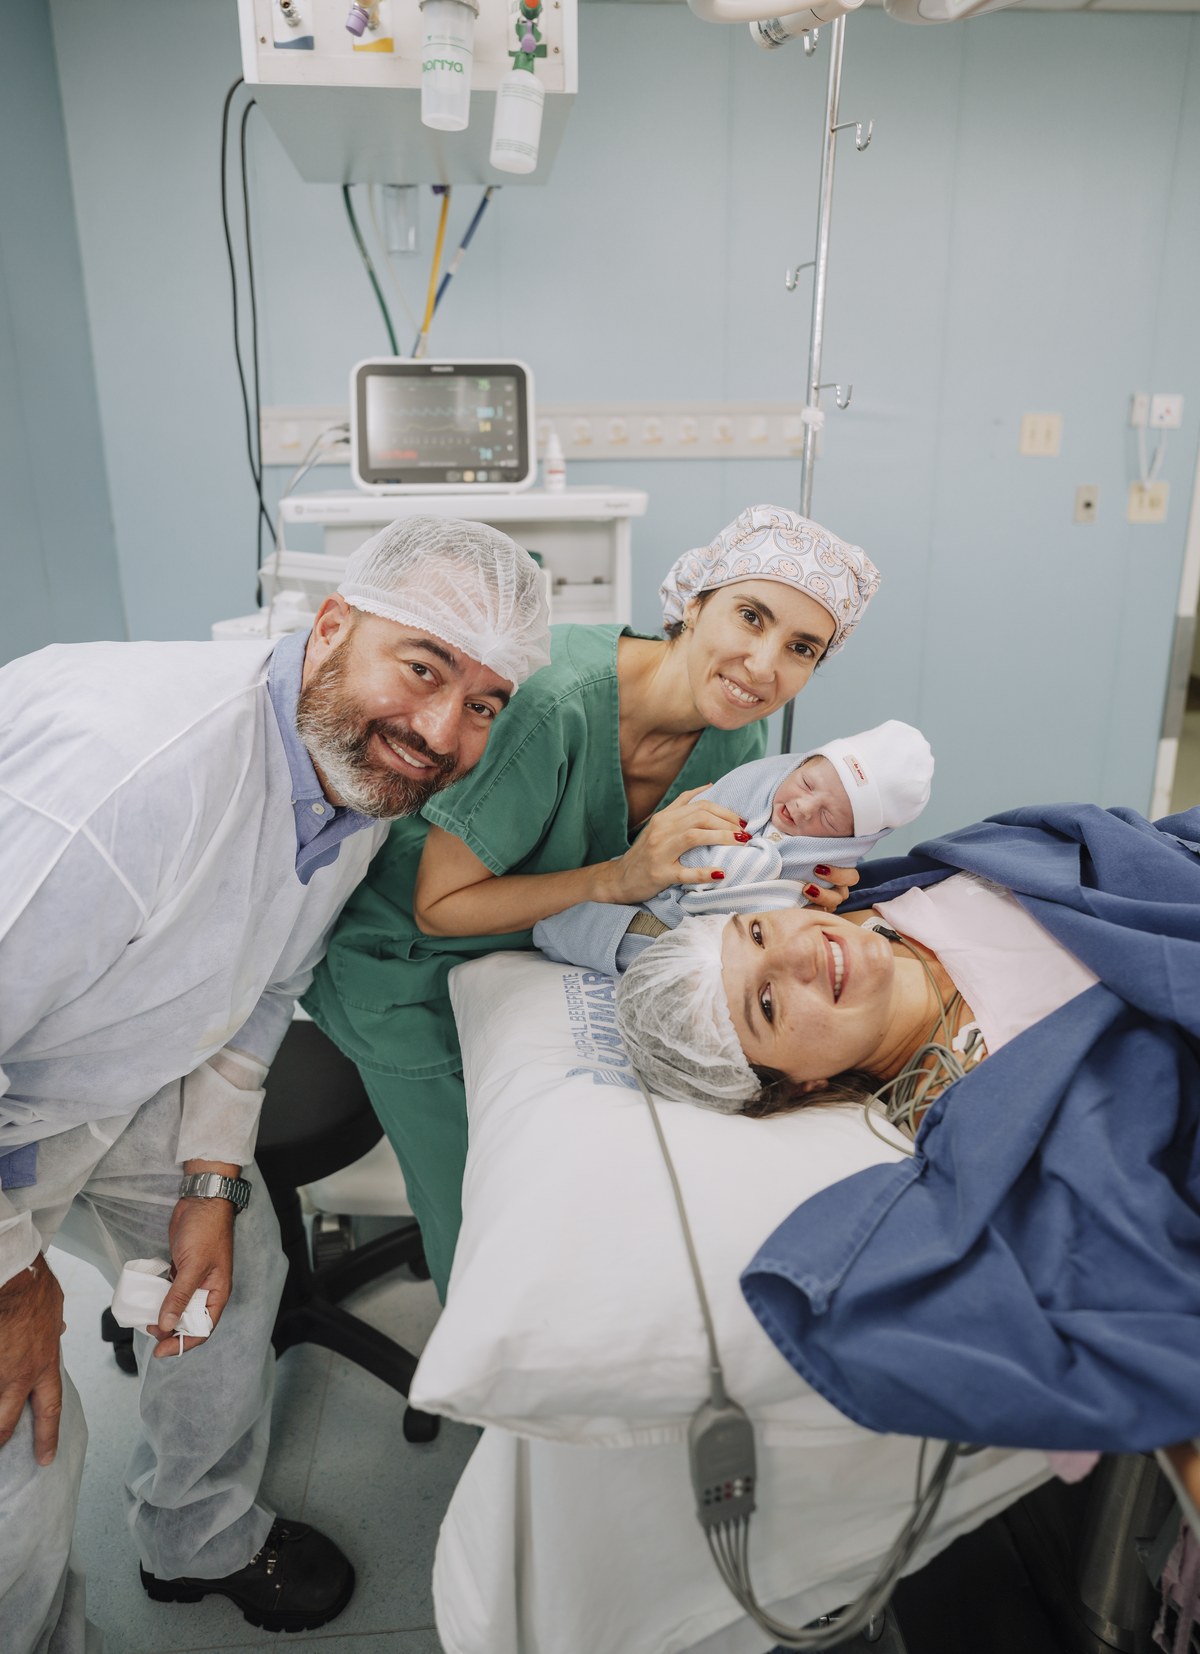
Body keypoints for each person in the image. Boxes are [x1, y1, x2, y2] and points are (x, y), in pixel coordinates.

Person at [0, 516, 549, 1654]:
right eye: (425, 667)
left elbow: (264, 987)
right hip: (18, 1082)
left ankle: (193, 1535)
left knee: (233, 1261)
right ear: (333, 624)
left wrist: (209, 1181)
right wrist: (15, 1288)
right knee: (19, 1450)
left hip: (101, 1067)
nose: (443, 733)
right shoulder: (129, 783)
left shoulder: (354, 773)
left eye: (485, 703)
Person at [304, 504, 881, 1299]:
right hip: (405, 966)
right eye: (751, 616)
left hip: (530, 956)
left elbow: (701, 887)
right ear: (693, 601)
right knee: (483, 1222)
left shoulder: (737, 740)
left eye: (801, 648)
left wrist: (795, 886)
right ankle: (489, 1365)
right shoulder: (556, 704)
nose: (762, 665)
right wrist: (619, 877)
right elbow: (440, 906)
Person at [609, 801, 1200, 1495]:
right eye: (765, 1004)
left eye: (760, 931)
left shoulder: (904, 888)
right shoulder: (991, 1098)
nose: (800, 952)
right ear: (797, 1084)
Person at [532, 718, 932, 973]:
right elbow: (683, 844)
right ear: (798, 764)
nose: (803, 807)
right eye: (806, 783)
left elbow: (778, 918)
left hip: (713, 939)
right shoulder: (746, 789)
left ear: (851, 841)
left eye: (828, 819)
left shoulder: (823, 871)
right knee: (582, 921)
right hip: (656, 895)